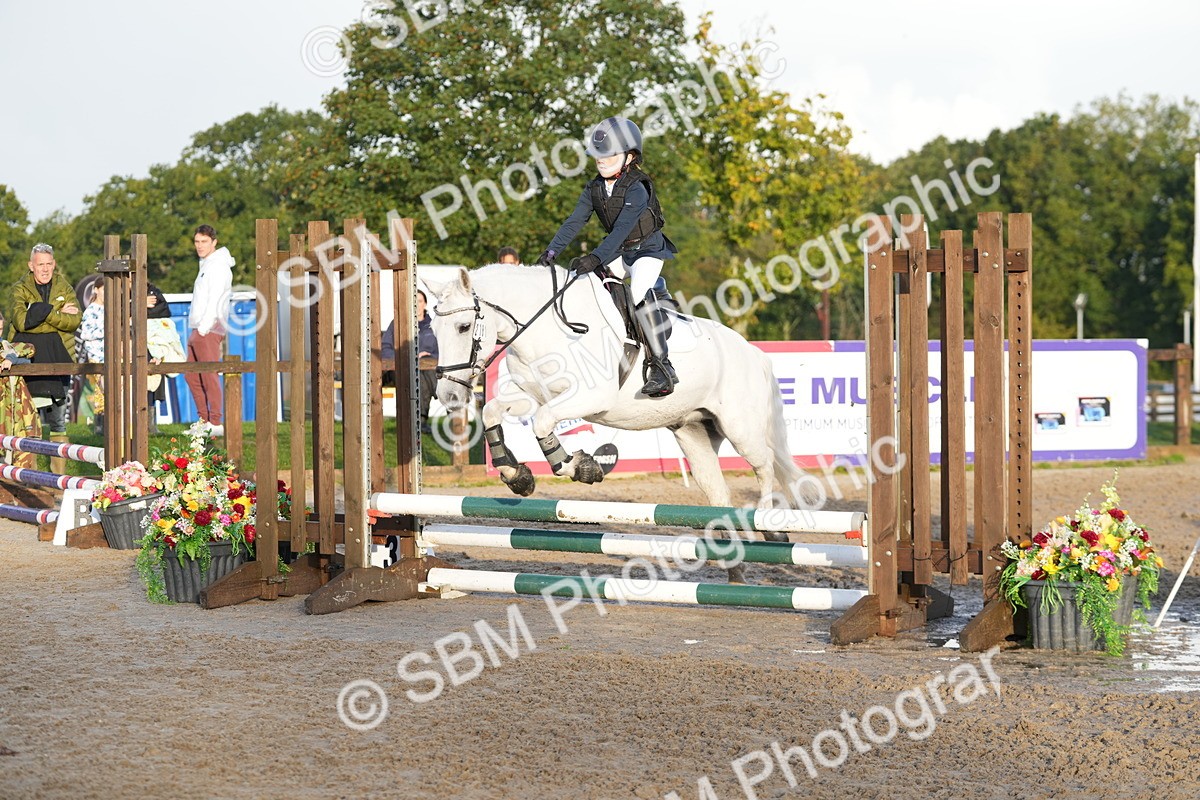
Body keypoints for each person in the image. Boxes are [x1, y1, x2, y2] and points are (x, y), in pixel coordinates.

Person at [536, 116, 679, 397]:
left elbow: (619, 233)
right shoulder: (594, 188)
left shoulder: (638, 188)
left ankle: (662, 367)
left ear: (630, 156)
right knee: (585, 283)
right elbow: (574, 222)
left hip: (647, 252)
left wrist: (595, 259)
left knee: (637, 290)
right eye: (598, 154)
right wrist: (551, 252)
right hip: (622, 252)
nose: (601, 160)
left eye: (609, 154)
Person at [9, 243, 82, 435]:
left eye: (49, 264)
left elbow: (74, 321)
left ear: (54, 264)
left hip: (60, 356)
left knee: (58, 421)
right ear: (31, 265)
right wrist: (56, 311)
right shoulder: (18, 289)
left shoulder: (65, 288)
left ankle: (59, 463)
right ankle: (24, 460)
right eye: (41, 264)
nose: (45, 269)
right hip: (25, 360)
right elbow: (22, 322)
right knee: (25, 420)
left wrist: (40, 312)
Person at [185, 224, 233, 436]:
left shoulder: (218, 265)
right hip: (199, 327)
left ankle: (215, 422)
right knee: (191, 375)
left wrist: (204, 328)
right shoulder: (205, 264)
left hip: (209, 327)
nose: (199, 245)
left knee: (208, 374)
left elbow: (216, 298)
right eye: (197, 241)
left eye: (204, 241)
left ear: (214, 242)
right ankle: (204, 421)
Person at [381, 290, 439, 434]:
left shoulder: (434, 325)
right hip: (400, 368)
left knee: (424, 370)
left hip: (427, 368)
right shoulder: (398, 323)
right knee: (420, 374)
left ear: (425, 304)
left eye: (419, 301)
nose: (417, 305)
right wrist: (408, 356)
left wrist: (428, 355)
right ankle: (421, 419)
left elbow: (442, 350)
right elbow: (386, 347)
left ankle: (418, 421)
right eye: (414, 301)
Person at [0, 311, 41, 467]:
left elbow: (29, 349)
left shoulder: (7, 347)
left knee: (18, 453)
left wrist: (11, 359)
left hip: (13, 411)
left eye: (1, 329)